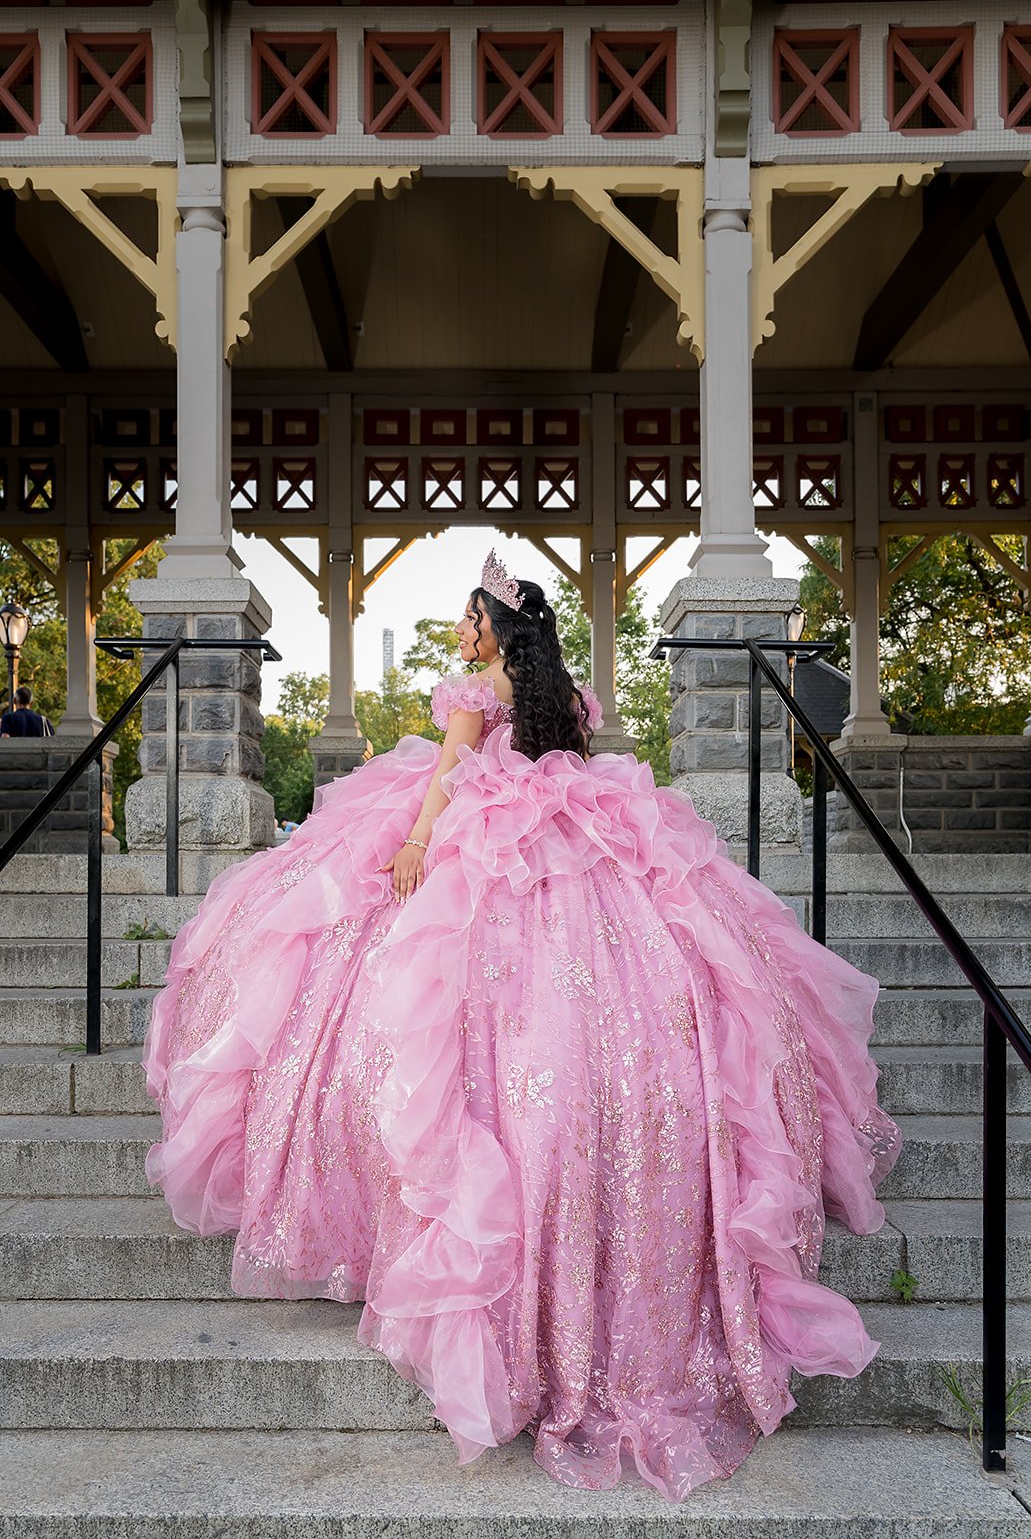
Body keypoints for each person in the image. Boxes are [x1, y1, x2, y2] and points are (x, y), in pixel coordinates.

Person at [144, 550, 900, 1503]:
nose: (460, 630)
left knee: (390, 966)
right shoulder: (562, 694)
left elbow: (449, 772)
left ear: (492, 628)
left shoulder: (472, 687)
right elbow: (561, 761)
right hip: (567, 826)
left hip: (482, 832)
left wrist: (417, 841)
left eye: (468, 617)